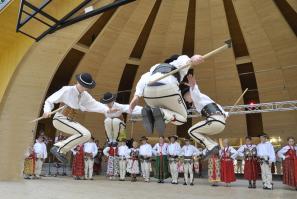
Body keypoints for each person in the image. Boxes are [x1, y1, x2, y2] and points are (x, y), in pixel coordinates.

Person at [42, 73, 108, 164]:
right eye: (83, 86)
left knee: (86, 135)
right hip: (60, 119)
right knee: (85, 133)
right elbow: (50, 100)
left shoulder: (85, 95)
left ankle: (60, 148)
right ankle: (59, 148)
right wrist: (47, 110)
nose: (84, 88)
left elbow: (96, 105)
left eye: (86, 87)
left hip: (70, 120)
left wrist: (110, 110)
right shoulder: (67, 90)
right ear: (78, 82)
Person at [129, 54, 204, 134]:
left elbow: (143, 79)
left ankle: (151, 111)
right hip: (168, 88)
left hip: (148, 93)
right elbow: (186, 61)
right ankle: (162, 113)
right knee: (182, 118)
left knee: (161, 111)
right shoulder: (178, 61)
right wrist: (192, 59)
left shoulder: (155, 67)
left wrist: (136, 96)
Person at [183, 74, 227, 157]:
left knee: (191, 131)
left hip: (214, 121)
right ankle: (214, 145)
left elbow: (195, 93)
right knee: (201, 133)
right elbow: (224, 113)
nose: (187, 101)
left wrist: (193, 86)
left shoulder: (197, 97)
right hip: (221, 124)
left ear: (189, 94)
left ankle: (211, 146)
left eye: (185, 98)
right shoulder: (206, 100)